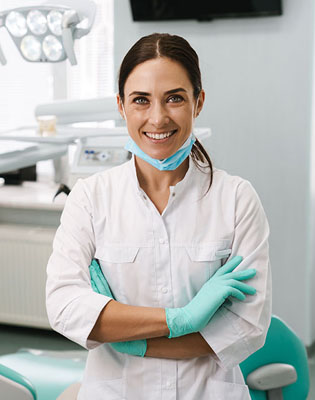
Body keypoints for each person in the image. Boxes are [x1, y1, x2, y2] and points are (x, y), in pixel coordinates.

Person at [46, 33, 271, 399]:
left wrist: (127, 337)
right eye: (140, 100)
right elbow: (65, 308)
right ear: (121, 106)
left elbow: (246, 327)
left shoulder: (236, 200)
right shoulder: (90, 199)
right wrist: (180, 321)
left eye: (175, 98)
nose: (157, 117)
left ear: (198, 102)